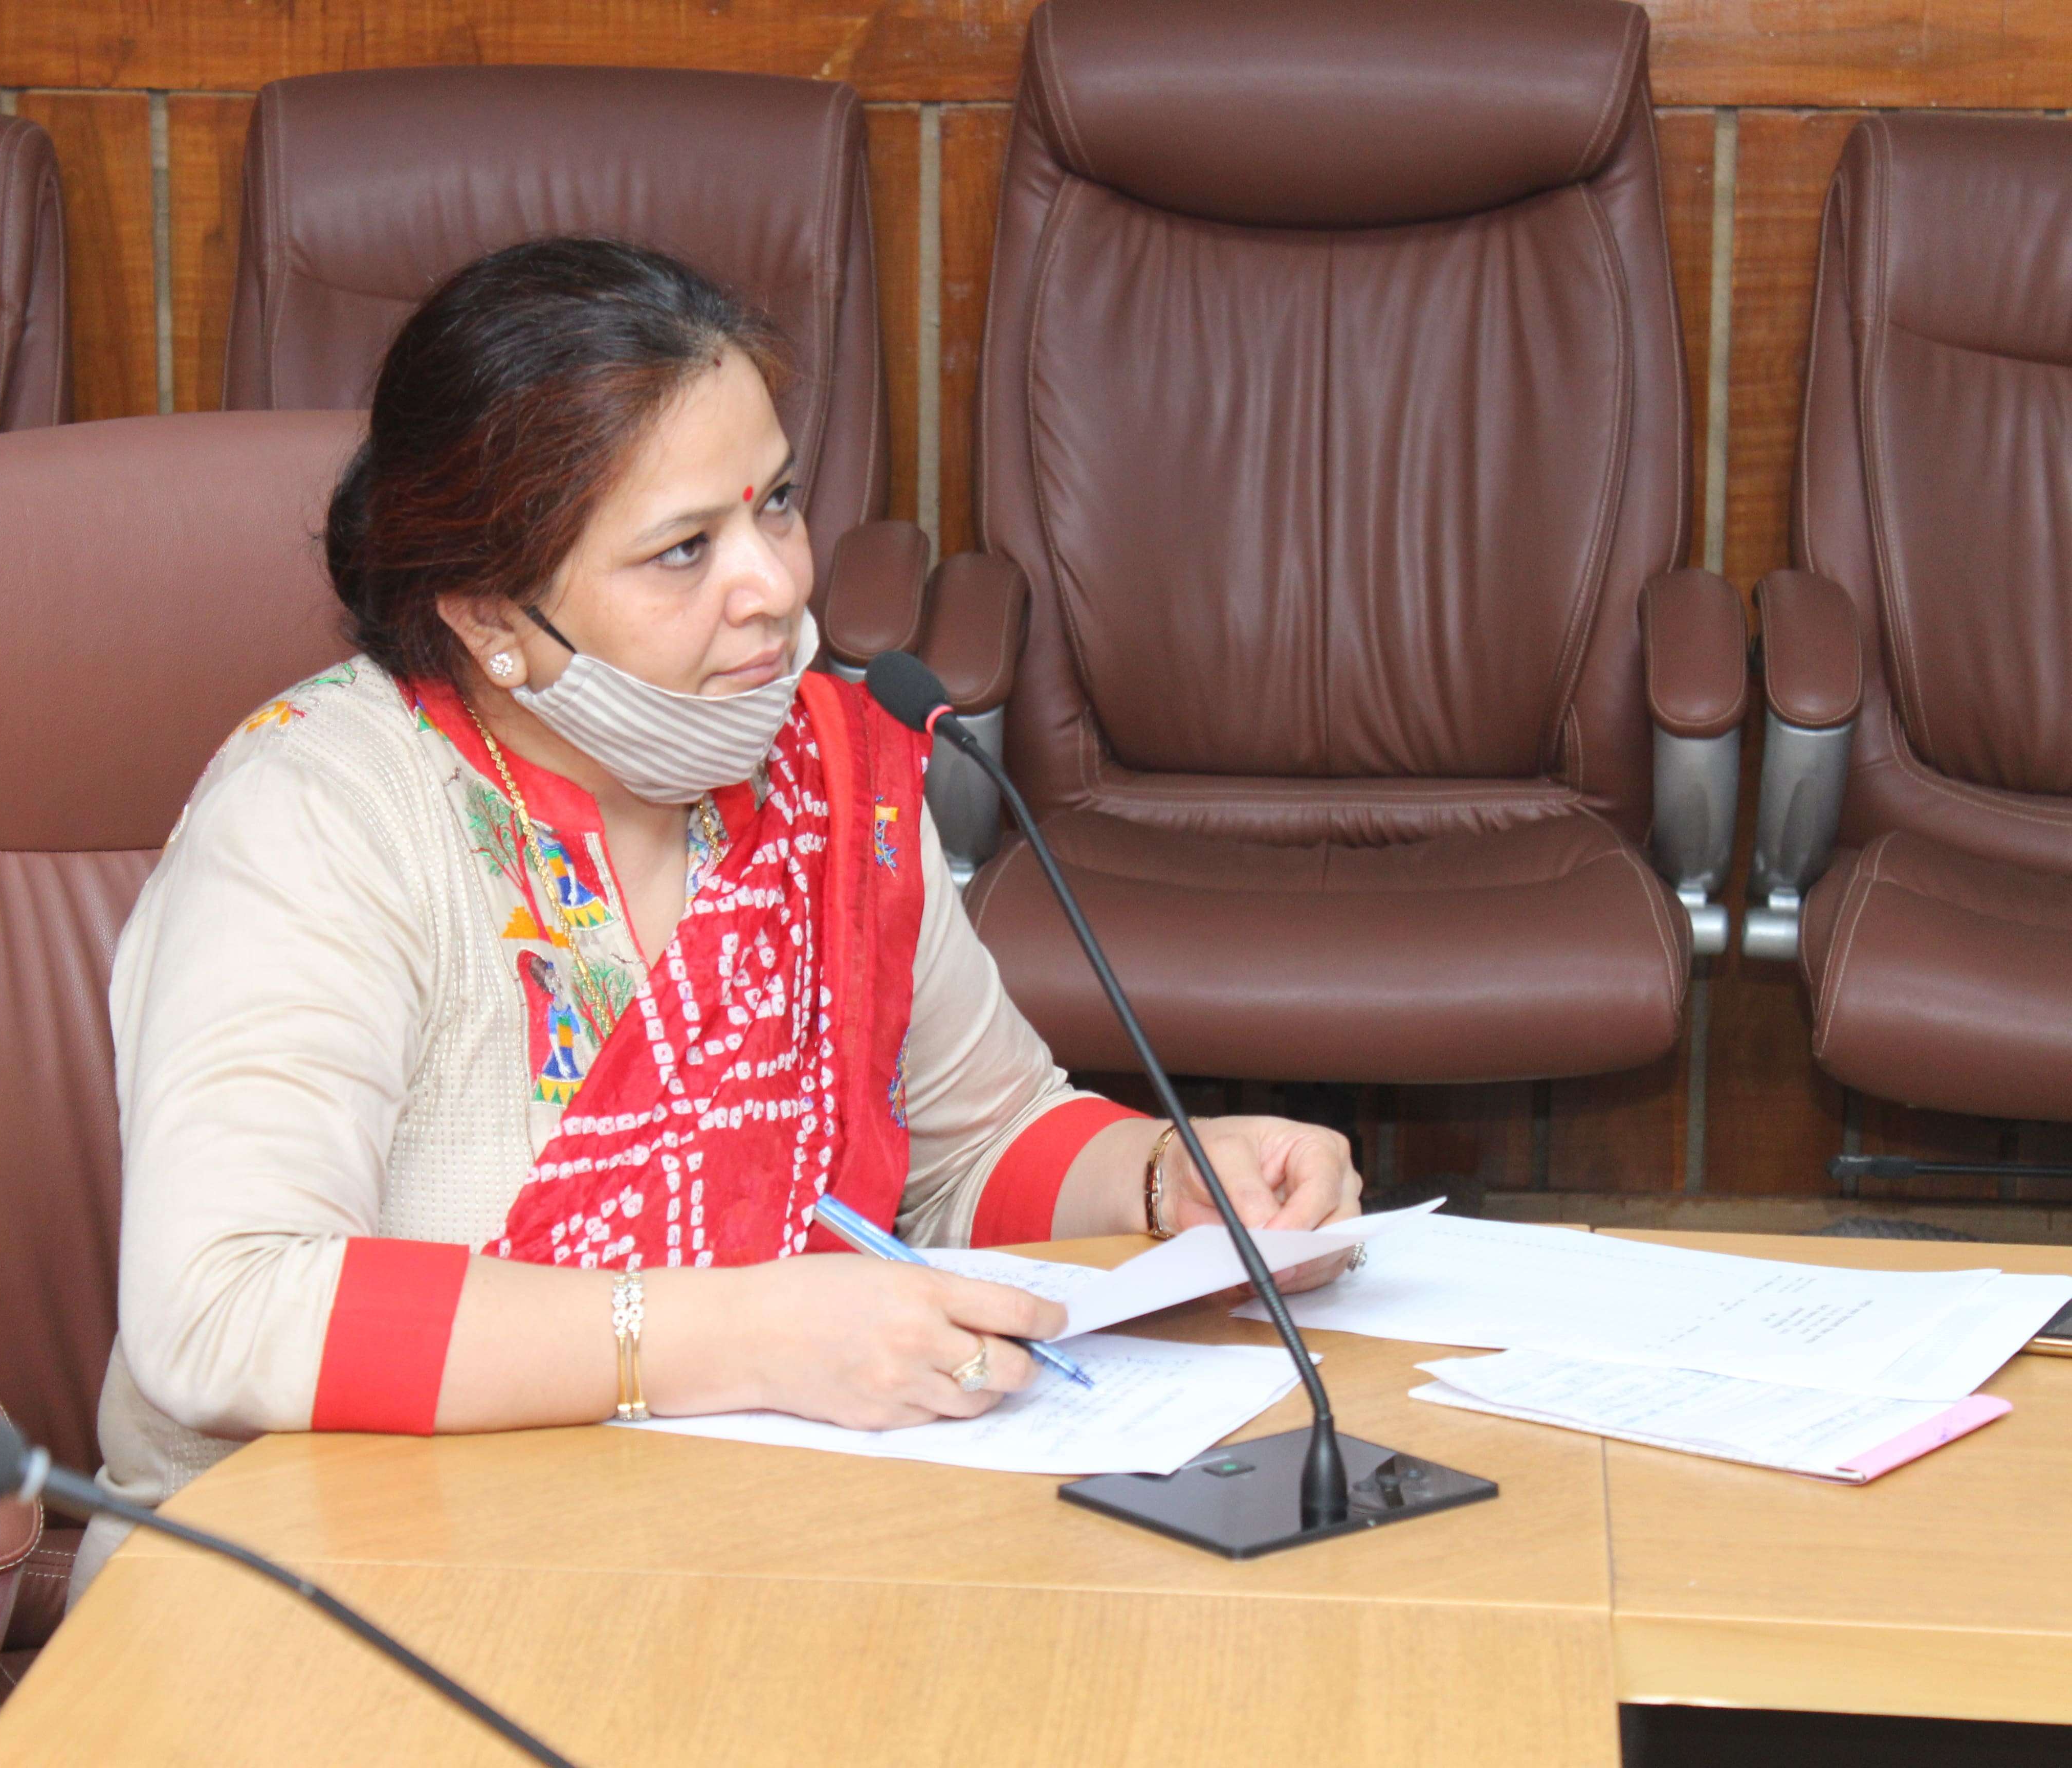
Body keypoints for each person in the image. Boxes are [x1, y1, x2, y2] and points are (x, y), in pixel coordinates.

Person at [75, 237, 1361, 1596]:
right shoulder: (326, 812)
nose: (777, 587)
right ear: (492, 617)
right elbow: (223, 1309)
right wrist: (738, 1336)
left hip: (733, 1550)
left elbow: (975, 1141)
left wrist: (1167, 1179)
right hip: (318, 1579)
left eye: (779, 506)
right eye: (685, 550)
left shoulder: (824, 771)